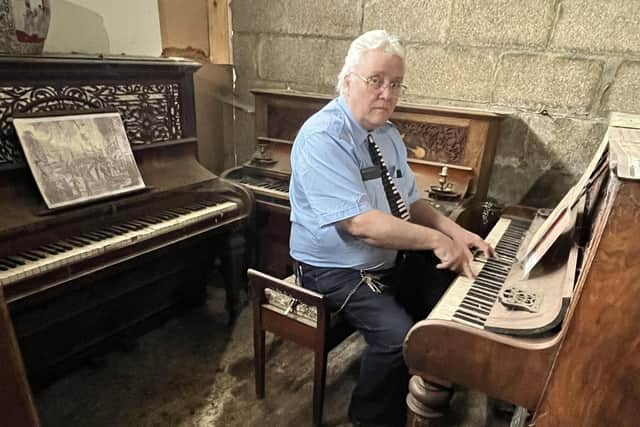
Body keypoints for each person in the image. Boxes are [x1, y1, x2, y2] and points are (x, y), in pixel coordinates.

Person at [288, 30, 494, 427]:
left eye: (395, 84)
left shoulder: (387, 134)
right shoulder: (323, 137)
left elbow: (411, 203)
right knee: (397, 337)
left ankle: (425, 383)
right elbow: (361, 224)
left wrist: (456, 234)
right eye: (375, 80)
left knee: (451, 291)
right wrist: (435, 240)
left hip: (381, 257)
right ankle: (368, 417)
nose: (387, 93)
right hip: (332, 268)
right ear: (347, 80)